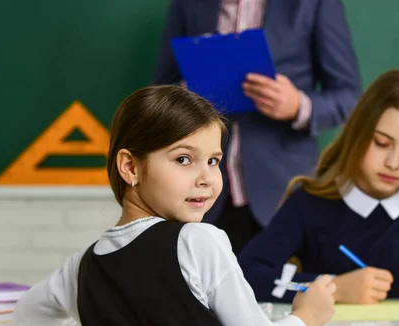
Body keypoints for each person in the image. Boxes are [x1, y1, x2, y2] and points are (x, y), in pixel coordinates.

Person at [12, 85, 337, 326]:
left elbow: (27, 314)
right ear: (130, 167)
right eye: (184, 159)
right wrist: (305, 316)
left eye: (213, 160)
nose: (207, 178)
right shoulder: (199, 242)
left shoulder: (81, 266)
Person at [238, 69, 399, 304]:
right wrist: (334, 287)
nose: (393, 163)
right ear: (358, 134)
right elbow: (248, 275)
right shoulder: (309, 204)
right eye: (381, 143)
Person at [153, 0, 362, 254]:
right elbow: (161, 92)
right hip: (202, 194)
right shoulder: (188, 4)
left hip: (282, 195)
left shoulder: (314, 4)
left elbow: (350, 98)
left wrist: (298, 106)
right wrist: (190, 90)